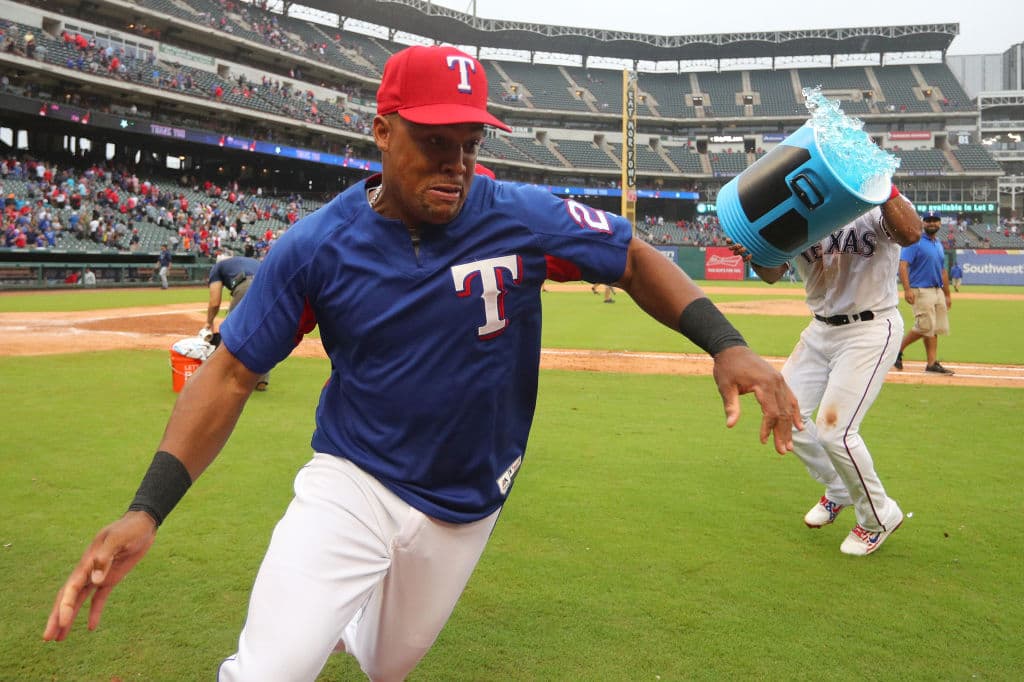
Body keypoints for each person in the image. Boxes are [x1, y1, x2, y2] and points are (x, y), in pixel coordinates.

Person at [43, 45, 800, 681]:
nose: (457, 162)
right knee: (269, 668)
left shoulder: (518, 214)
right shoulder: (314, 248)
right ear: (381, 131)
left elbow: (630, 256)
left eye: (470, 142)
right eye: (435, 140)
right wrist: (147, 508)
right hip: (355, 477)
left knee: (387, 665)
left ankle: (354, 618)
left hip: (468, 497)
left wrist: (726, 343)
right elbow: (232, 372)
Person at [727, 185, 921, 555]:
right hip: (820, 328)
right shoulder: (796, 213)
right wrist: (755, 253)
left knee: (837, 433)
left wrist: (882, 183)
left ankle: (878, 515)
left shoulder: (876, 200)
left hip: (870, 327)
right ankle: (838, 488)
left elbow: (910, 233)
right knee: (784, 410)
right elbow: (771, 272)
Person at [894, 210, 954, 374]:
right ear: (923, 222)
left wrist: (947, 294)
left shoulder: (938, 244)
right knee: (925, 326)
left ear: (940, 223)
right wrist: (907, 289)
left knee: (934, 329)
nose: (932, 223)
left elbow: (942, 271)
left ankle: (931, 363)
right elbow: (903, 265)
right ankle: (896, 351)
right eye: (928, 220)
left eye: (935, 220)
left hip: (936, 290)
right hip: (920, 289)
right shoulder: (915, 241)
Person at [201, 254, 268, 391]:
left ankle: (225, 376)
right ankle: (261, 380)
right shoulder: (249, 261)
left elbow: (214, 302)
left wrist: (209, 322)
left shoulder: (217, 267)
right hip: (268, 287)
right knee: (260, 333)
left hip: (246, 285)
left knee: (232, 332)